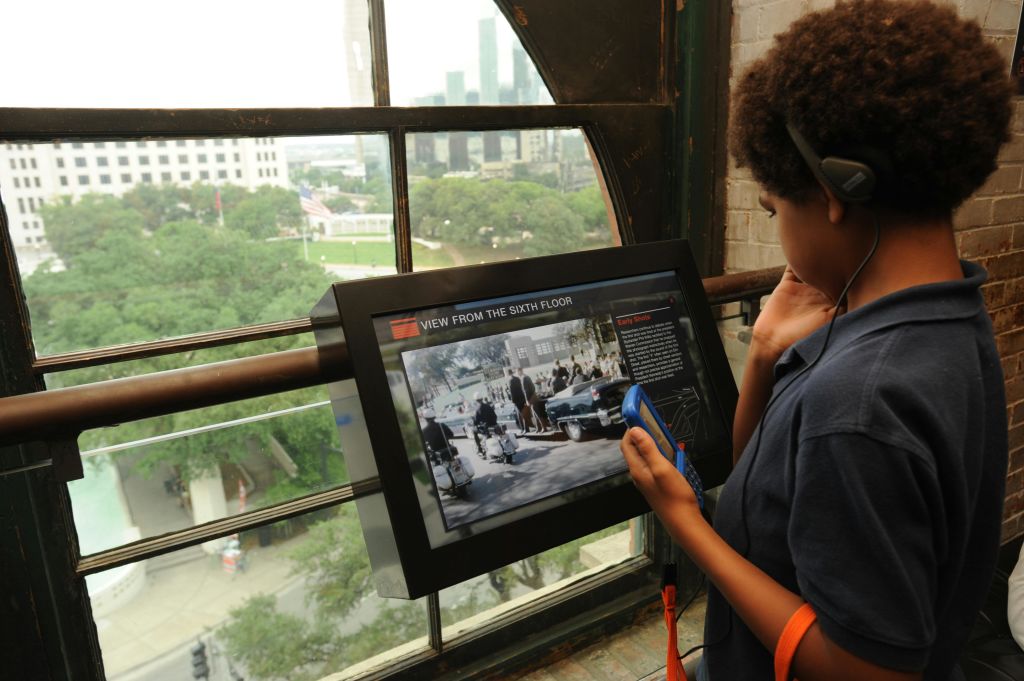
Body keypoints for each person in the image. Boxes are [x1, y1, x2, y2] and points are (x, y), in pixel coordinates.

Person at [620, 3, 1011, 680]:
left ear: (836, 193)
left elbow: (868, 669)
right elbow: (764, 498)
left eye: (775, 210)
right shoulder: (949, 319)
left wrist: (688, 528)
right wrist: (768, 355)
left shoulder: (859, 401)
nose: (777, 233)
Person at [508, 368, 531, 433]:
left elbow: (512, 392)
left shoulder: (510, 381)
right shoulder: (517, 378)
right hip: (522, 398)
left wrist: (512, 400)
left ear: (508, 374)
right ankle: (527, 428)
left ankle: (525, 429)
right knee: (524, 413)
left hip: (517, 400)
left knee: (520, 415)